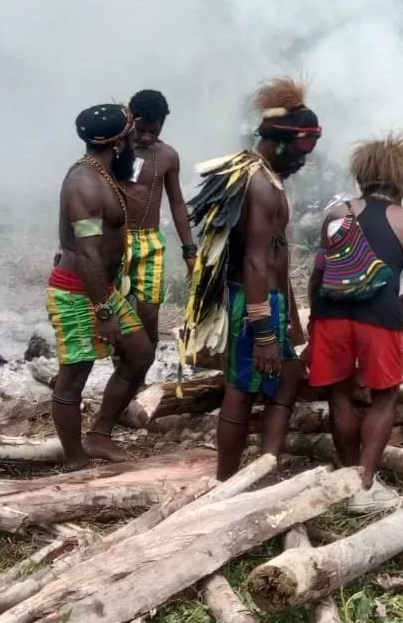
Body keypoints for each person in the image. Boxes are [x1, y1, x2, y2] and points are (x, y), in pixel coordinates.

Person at [181, 78, 318, 481]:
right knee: (240, 393)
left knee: (288, 380)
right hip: (252, 304)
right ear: (278, 142)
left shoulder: (263, 177)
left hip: (267, 303)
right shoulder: (259, 185)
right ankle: (226, 481)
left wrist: (291, 320)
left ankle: (265, 469)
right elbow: (257, 261)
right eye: (299, 152)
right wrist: (263, 333)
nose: (302, 162)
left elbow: (278, 257)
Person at [307, 133, 403, 512]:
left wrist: (316, 320)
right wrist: (394, 306)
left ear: (362, 177)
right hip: (380, 321)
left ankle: (347, 475)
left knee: (339, 394)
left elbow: (318, 275)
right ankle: (365, 483)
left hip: (331, 317)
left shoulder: (335, 216)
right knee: (384, 397)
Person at [45, 103, 154, 469]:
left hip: (100, 288)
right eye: (132, 137)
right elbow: (89, 252)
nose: (138, 142)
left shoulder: (102, 175)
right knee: (74, 377)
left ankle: (99, 435)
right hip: (80, 292)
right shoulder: (84, 184)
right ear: (119, 143)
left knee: (140, 353)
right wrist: (104, 310)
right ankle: (75, 461)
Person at [124, 89, 198, 351]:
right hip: (114, 238)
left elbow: (177, 202)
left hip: (149, 242)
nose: (145, 137)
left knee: (149, 311)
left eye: (152, 132)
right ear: (131, 119)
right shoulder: (113, 149)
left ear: (162, 125)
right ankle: (122, 367)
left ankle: (142, 371)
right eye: (141, 130)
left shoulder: (167, 156)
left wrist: (189, 250)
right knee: (114, 308)